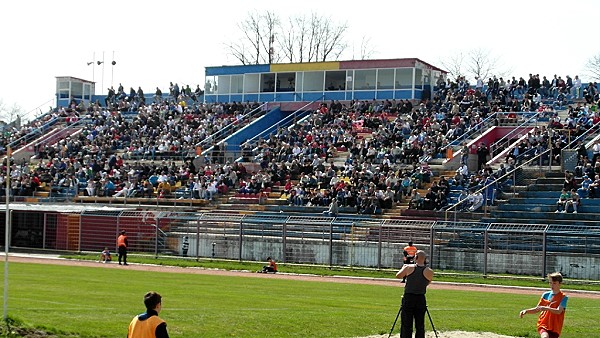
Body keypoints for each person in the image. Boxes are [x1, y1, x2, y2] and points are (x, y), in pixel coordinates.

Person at [395, 250, 434, 338]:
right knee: (420, 324)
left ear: (416, 258)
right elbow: (428, 282)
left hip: (409, 297)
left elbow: (398, 276)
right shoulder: (429, 271)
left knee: (406, 323)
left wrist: (403, 267)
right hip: (420, 298)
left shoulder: (409, 267)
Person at [519, 272, 568, 338]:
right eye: (550, 283)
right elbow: (537, 309)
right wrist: (526, 311)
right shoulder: (545, 295)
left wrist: (546, 308)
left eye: (554, 283)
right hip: (544, 323)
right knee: (545, 336)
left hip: (555, 326)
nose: (552, 285)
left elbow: (559, 311)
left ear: (560, 284)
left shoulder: (563, 297)